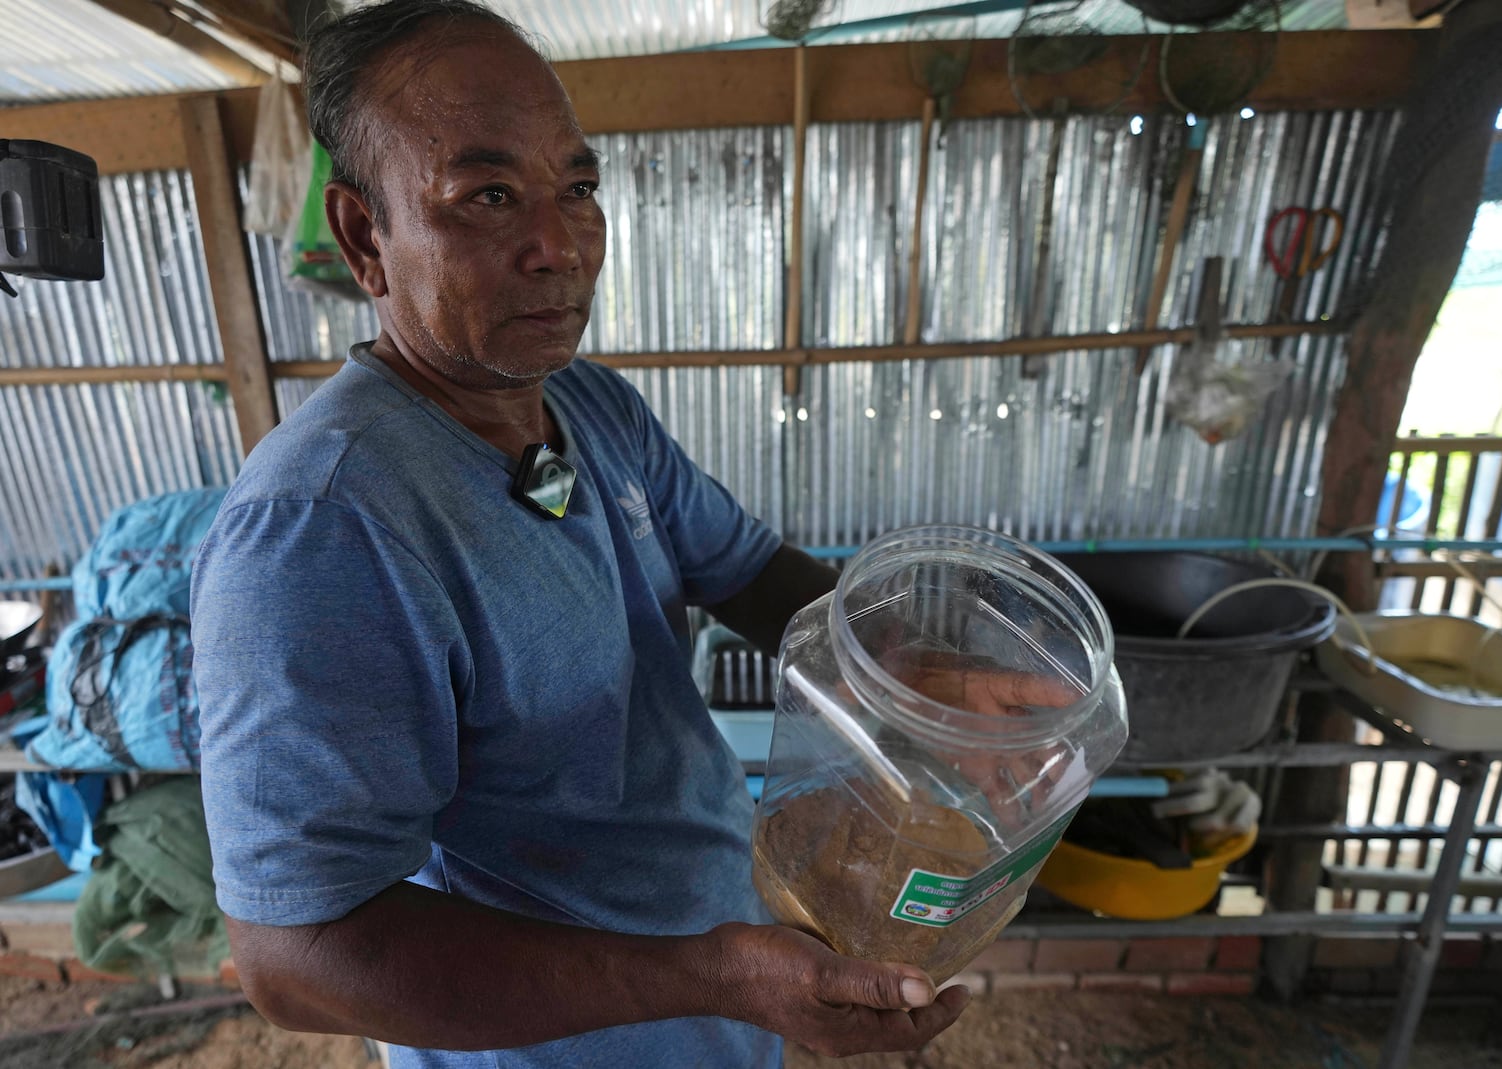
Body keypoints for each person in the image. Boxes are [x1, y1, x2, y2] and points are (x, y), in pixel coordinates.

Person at [189, 2, 969, 1067]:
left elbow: (747, 573)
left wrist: (920, 680)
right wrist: (717, 973)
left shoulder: (586, 406)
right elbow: (299, 958)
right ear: (367, 238)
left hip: (723, 1012)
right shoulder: (321, 530)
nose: (558, 245)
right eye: (488, 196)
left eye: (578, 188)